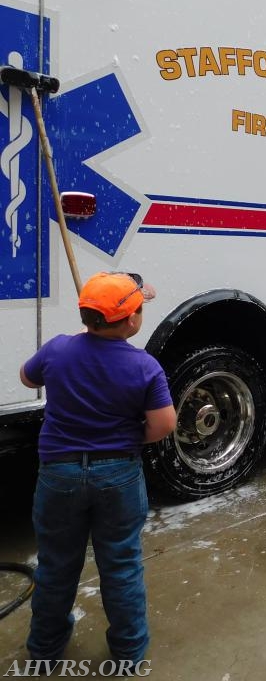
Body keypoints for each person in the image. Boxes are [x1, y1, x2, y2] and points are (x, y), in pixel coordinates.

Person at [20, 271, 177, 665]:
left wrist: (79, 340)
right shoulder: (144, 366)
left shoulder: (58, 350)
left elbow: (26, 377)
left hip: (59, 475)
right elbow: (163, 425)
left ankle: (44, 650)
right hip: (118, 475)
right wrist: (127, 439)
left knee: (55, 565)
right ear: (132, 321)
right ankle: (128, 652)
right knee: (121, 565)